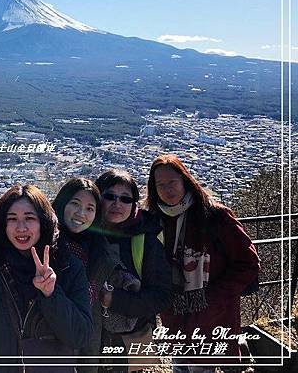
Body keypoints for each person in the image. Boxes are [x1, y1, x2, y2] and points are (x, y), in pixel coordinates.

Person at [146, 154, 260, 373]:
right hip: (175, 313)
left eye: (172, 182)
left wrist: (212, 297)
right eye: (160, 185)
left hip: (212, 313)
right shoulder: (153, 220)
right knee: (180, 366)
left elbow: (248, 263)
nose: (167, 190)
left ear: (185, 181)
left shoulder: (215, 216)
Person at [0, 184, 93, 373]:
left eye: (29, 218)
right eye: (12, 219)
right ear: (3, 225)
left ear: (43, 222)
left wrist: (51, 294)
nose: (21, 228)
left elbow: (81, 335)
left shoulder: (68, 267)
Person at [94, 169, 173, 372]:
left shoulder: (145, 240)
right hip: (88, 335)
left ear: (134, 204)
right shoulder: (84, 235)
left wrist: (115, 300)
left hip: (127, 340)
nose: (117, 204)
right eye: (109, 196)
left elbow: (162, 295)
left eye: (125, 199)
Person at [51, 177, 118, 371]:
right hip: (47, 343)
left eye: (90, 208)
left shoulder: (99, 249)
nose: (81, 213)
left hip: (86, 344)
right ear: (62, 203)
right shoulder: (42, 244)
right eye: (75, 204)